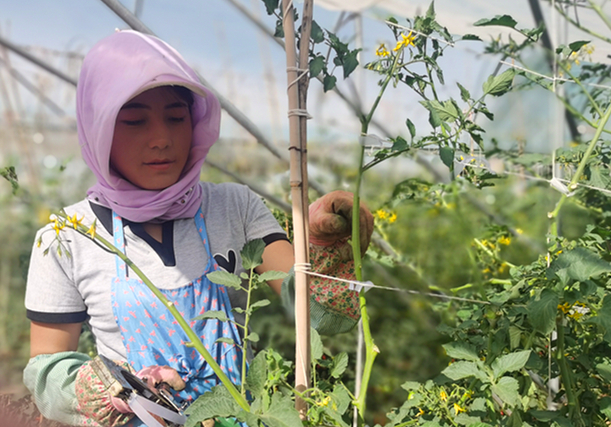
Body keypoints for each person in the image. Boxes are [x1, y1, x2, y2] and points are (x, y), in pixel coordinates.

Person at [23, 30, 373, 427]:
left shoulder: (234, 207)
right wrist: (101, 387)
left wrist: (321, 245)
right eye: (135, 120)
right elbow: (44, 369)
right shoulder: (66, 236)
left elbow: (317, 313)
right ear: (97, 128)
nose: (161, 139)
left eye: (176, 117)